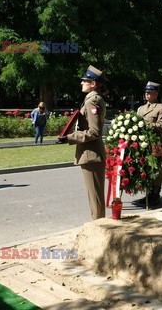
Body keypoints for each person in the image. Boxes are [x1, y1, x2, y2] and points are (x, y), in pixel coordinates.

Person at [57, 65, 107, 220]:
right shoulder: (91, 99)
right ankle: (98, 227)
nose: (82, 83)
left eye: (85, 80)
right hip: (91, 154)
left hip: (92, 154)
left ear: (93, 84)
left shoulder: (92, 101)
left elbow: (94, 132)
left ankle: (99, 229)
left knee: (96, 199)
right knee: (94, 197)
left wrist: (70, 138)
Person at [137, 81, 162, 206]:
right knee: (146, 167)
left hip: (156, 143)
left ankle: (156, 193)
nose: (147, 95)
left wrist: (146, 124)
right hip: (143, 142)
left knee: (156, 168)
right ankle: (148, 193)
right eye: (146, 92)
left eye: (150, 93)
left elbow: (161, 125)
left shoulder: (161, 108)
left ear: (156, 94)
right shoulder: (141, 108)